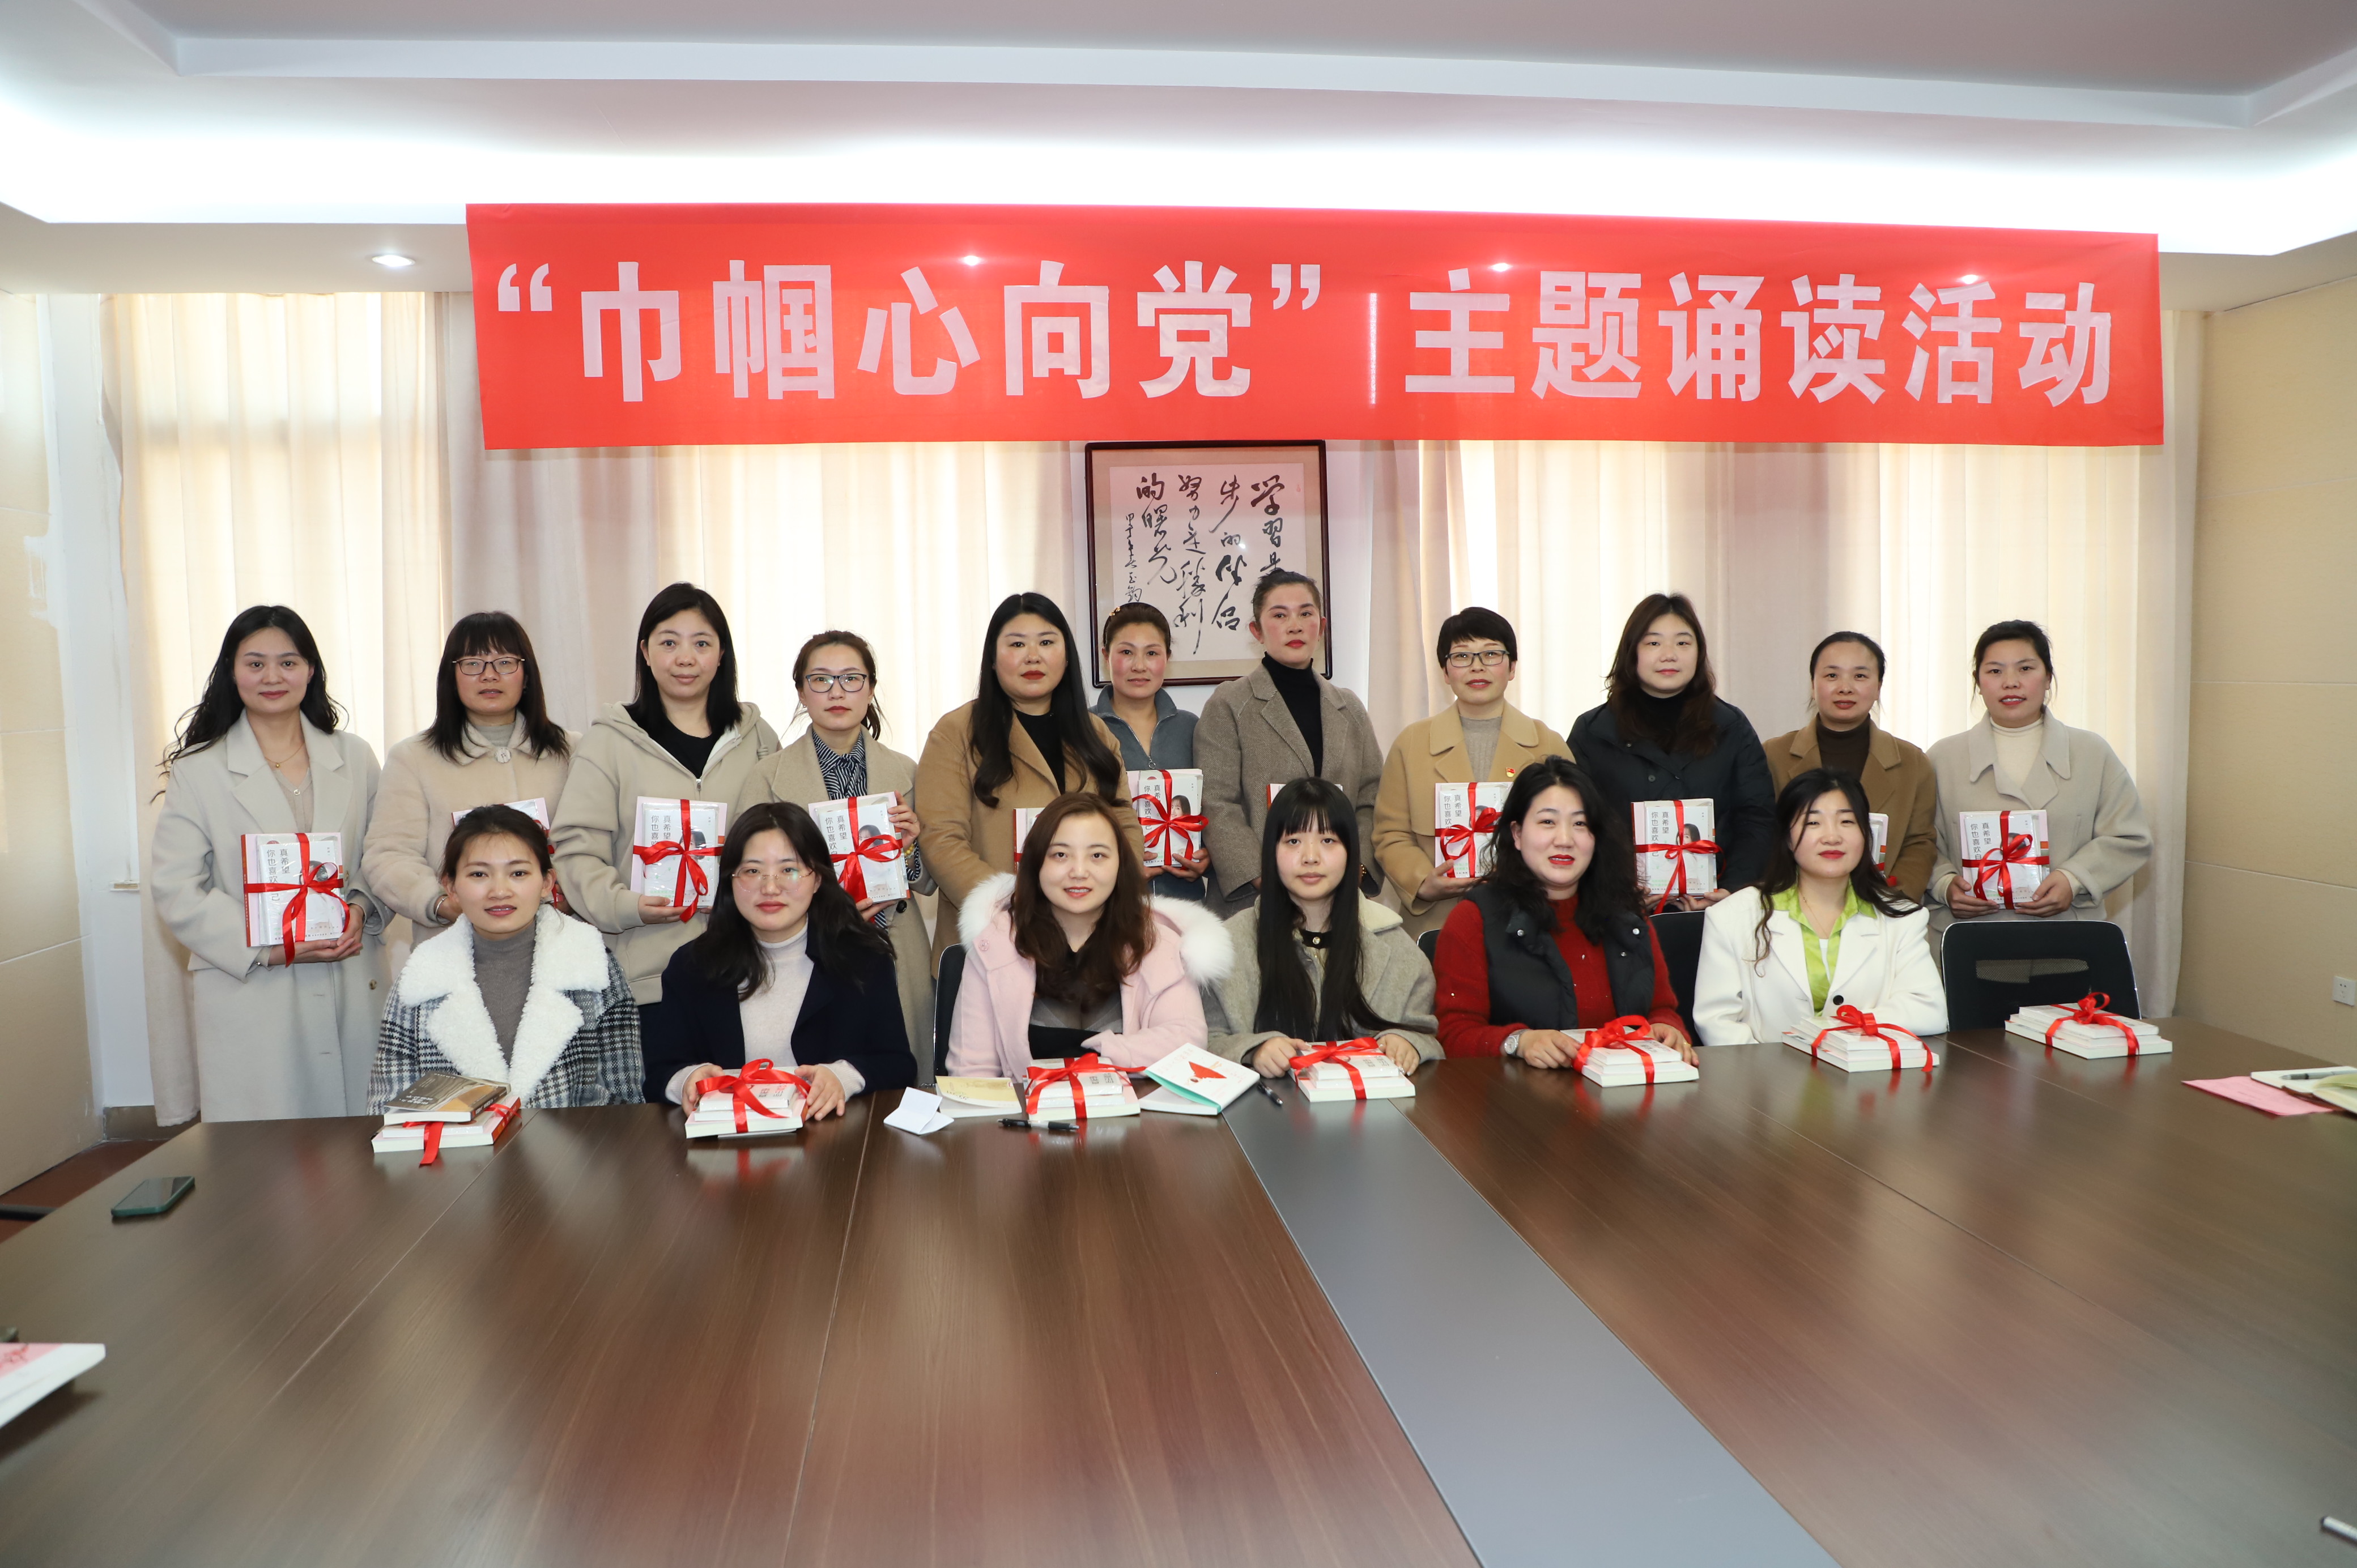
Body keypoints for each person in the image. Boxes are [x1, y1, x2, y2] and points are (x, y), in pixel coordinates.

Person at [148, 606, 389, 1119]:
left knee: (362, 1142)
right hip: (255, 983)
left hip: (350, 971)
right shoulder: (199, 769)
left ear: (311, 670)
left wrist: (361, 910)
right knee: (265, 1148)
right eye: (255, 663)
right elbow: (177, 887)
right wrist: (270, 948)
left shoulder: (355, 756)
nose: (273, 677)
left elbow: (382, 853)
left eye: (289, 662)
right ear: (231, 672)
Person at [551, 582, 781, 1008]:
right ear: (645, 651)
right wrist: (628, 906)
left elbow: (785, 844)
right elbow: (576, 850)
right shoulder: (609, 742)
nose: (685, 658)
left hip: (752, 974)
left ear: (722, 654)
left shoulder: (758, 739)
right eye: (669, 643)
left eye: (702, 643)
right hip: (646, 981)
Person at [642, 802, 916, 1118]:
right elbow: (659, 1074)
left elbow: (897, 1065)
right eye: (753, 871)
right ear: (730, 880)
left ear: (817, 879)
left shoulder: (864, 959)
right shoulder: (691, 966)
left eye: (789, 870)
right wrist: (687, 1080)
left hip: (833, 1137)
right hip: (726, 1139)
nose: (770, 888)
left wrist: (843, 1077)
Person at [743, 630, 933, 1082]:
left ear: (870, 689)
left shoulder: (906, 770)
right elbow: (748, 873)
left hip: (895, 944)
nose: (837, 692)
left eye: (851, 679)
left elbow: (927, 881)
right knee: (816, 1081)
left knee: (899, 1079)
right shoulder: (767, 776)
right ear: (801, 692)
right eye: (821, 680)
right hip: (805, 949)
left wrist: (910, 846)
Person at [914, 592, 1142, 969]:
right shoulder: (956, 733)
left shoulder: (1096, 733)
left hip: (1091, 940)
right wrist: (1018, 904)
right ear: (992, 658)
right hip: (991, 943)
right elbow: (941, 839)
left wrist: (1103, 896)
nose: (1033, 656)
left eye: (1047, 643)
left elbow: (1124, 825)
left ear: (1067, 657)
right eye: (1017, 644)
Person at [367, 806, 641, 1109]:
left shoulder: (591, 962)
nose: (499, 891)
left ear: (547, 883)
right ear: (451, 887)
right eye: (479, 874)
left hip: (572, 1141)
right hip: (453, 1143)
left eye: (518, 873)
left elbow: (625, 1102)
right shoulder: (422, 976)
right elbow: (388, 1107)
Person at [945, 793, 1230, 1081]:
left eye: (1097, 856)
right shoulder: (995, 945)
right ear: (1035, 863)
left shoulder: (1159, 943)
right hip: (1024, 1110)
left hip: (1135, 1109)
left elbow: (1186, 1044)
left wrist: (1104, 1055)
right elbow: (971, 1075)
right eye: (1060, 855)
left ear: (1121, 864)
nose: (1079, 872)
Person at [1432, 757, 1694, 1065]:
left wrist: (1668, 1028)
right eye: (1548, 822)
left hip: (1621, 1087)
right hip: (1517, 1091)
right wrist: (1517, 1042)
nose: (1565, 840)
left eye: (1580, 824)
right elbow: (1453, 1034)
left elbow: (1661, 1009)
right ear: (1517, 834)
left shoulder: (1626, 913)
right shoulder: (1475, 918)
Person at [1927, 620, 2150, 935]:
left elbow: (2128, 837)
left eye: (2025, 669)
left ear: (2048, 678)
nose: (2011, 683)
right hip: (1970, 937)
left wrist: (2074, 879)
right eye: (1995, 671)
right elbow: (1918, 841)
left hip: (2066, 937)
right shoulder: (1943, 757)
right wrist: (1944, 884)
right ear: (1978, 682)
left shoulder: (2091, 752)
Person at [1692, 771, 1946, 1045]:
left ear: (1866, 834)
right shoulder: (1732, 916)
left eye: (1847, 821)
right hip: (1764, 1071)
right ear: (1787, 838)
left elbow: (1928, 1011)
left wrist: (1834, 1033)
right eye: (1813, 822)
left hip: (1869, 1070)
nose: (1832, 837)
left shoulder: (1902, 918)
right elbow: (1717, 1023)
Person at [1208, 779, 1439, 1076]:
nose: (1311, 857)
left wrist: (1409, 1043)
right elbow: (1204, 1041)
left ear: (1351, 851)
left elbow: (1430, 1035)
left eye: (1328, 841)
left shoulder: (1397, 947)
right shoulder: (1226, 945)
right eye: (1293, 841)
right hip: (1267, 1104)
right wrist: (1252, 1050)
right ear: (1271, 852)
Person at [363, 612, 575, 934]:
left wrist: (573, 894)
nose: (489, 675)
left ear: (527, 675)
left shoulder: (573, 750)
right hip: (455, 942)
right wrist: (441, 904)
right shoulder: (413, 757)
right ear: (452, 677)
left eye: (505, 663)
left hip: (561, 936)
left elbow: (592, 844)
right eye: (473, 664)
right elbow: (388, 855)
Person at [1372, 606, 1573, 939]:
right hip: (1438, 923)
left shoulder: (1547, 744)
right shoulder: (1412, 743)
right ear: (1445, 671)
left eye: (1491, 654)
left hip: (1531, 918)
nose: (1477, 666)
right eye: (1462, 656)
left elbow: (1575, 829)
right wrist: (1423, 882)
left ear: (1512, 667)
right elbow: (1390, 833)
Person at [1567, 593, 1776, 910]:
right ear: (1632, 652)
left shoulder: (1731, 726)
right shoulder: (1593, 731)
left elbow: (1757, 818)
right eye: (1654, 643)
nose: (1669, 655)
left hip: (1714, 909)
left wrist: (1731, 891)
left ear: (1699, 653)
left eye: (1682, 643)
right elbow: (1576, 823)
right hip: (1616, 910)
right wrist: (1614, 889)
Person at [1195, 569, 1385, 918]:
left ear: (1321, 627)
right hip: (1255, 903)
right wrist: (1265, 878)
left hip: (1340, 899)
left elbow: (1371, 799)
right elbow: (1217, 802)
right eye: (1280, 615)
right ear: (1257, 630)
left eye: (1305, 613)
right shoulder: (1230, 702)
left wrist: (1354, 871)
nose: (1295, 626)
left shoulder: (1350, 707)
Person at [1761, 632, 1938, 902]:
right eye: (1832, 675)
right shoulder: (1773, 756)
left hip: (1884, 908)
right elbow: (1762, 836)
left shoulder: (1913, 762)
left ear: (1878, 687)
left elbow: (1919, 843)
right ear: (1813, 685)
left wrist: (1891, 900)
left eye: (1860, 676)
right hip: (1792, 907)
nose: (1845, 688)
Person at [1091, 602, 1211, 901]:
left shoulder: (1192, 727)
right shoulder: (1084, 729)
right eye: (1127, 652)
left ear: (1167, 658)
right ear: (1106, 656)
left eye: (1152, 653)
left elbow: (1213, 807)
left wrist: (1208, 858)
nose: (1139, 666)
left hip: (1185, 904)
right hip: (1110, 903)